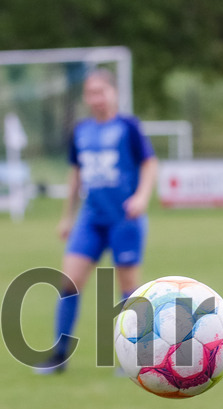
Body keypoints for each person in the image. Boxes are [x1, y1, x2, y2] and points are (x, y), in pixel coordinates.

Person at [34, 68, 158, 374]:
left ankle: (134, 358)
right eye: (90, 93)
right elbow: (76, 173)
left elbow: (149, 163)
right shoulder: (81, 131)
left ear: (114, 93)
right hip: (91, 219)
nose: (96, 99)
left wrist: (142, 196)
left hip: (124, 218)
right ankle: (58, 355)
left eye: (101, 92)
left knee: (129, 286)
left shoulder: (128, 126)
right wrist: (67, 216)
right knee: (69, 281)